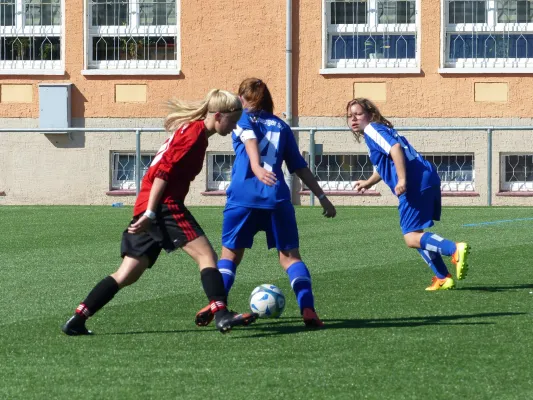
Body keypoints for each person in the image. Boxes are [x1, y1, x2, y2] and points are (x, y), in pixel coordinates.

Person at [62, 89, 258, 335]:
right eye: (233, 120)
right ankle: (221, 314)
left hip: (150, 206)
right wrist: (152, 213)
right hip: (163, 206)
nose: (235, 127)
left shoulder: (194, 132)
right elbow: (162, 174)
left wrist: (147, 211)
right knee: (206, 257)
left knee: (127, 273)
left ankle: (78, 319)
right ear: (218, 116)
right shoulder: (194, 135)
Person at [194, 78, 336, 328]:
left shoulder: (240, 118)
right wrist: (322, 197)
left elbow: (248, 140)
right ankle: (308, 309)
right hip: (276, 198)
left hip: (242, 198)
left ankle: (218, 305)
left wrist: (256, 166)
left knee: (230, 255)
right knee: (291, 258)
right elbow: (299, 167)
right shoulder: (281, 126)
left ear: (241, 99)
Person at [346, 98, 470, 290]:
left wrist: (402, 180)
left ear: (370, 115)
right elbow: (384, 164)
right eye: (350, 116)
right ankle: (443, 277)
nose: (353, 119)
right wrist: (369, 182)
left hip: (415, 182)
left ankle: (454, 249)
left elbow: (395, 150)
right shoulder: (380, 131)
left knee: (411, 237)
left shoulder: (372, 129)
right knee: (416, 233)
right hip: (426, 178)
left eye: (358, 114)